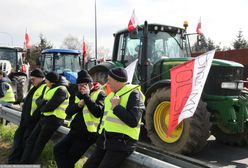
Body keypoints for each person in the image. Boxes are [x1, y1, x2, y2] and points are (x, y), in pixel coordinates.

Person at [83, 67, 145, 168]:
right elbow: (104, 121)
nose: (107, 83)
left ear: (118, 81)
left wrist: (116, 107)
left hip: (122, 143)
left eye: (109, 80)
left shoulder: (134, 94)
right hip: (106, 141)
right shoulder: (110, 95)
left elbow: (133, 121)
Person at [54, 69, 105, 168]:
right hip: (75, 130)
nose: (81, 87)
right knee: (58, 149)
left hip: (88, 134)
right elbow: (68, 111)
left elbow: (98, 112)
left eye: (83, 85)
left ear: (90, 84)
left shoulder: (100, 93)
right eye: (79, 85)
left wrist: (86, 96)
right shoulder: (78, 94)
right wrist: (78, 105)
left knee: (69, 159)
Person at [20, 71, 70, 163]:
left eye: (46, 80)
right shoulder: (50, 87)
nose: (45, 82)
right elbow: (39, 101)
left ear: (52, 81)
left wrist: (43, 105)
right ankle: (23, 163)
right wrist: (43, 104)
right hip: (44, 118)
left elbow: (49, 107)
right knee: (31, 140)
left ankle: (30, 164)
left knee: (38, 145)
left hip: (53, 120)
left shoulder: (61, 90)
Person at [8, 68, 47, 163]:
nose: (32, 81)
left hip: (32, 122)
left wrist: (32, 119)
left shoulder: (44, 88)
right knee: (19, 139)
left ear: (40, 78)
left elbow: (42, 106)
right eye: (31, 79)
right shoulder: (35, 87)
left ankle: (19, 162)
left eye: (33, 79)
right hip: (26, 121)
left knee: (25, 142)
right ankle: (14, 161)